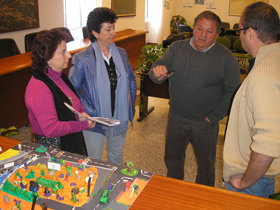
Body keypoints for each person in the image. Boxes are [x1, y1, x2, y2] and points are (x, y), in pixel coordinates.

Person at [149, 11, 240, 186]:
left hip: (205, 123)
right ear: (194, 28)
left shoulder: (226, 59)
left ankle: (202, 199)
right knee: (173, 160)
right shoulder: (177, 48)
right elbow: (158, 69)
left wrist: (213, 118)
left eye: (209, 31)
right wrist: (157, 72)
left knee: (206, 167)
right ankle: (175, 191)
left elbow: (232, 91)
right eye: (200, 29)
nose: (203, 35)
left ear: (218, 33)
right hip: (176, 118)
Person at [223, 2, 280, 198]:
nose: (239, 35)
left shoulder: (264, 75)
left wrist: (245, 181)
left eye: (239, 29)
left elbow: (269, 142)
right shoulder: (273, 61)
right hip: (260, 177)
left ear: (251, 33)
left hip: (253, 181)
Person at [69, 7, 137, 165]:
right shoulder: (82, 59)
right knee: (94, 160)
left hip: (119, 117)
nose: (113, 32)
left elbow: (131, 80)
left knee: (116, 156)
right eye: (108, 29)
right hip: (95, 120)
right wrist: (87, 112)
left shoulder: (121, 53)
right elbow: (72, 91)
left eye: (113, 27)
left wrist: (129, 104)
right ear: (95, 33)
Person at [25, 29, 95, 155]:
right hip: (54, 149)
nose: (68, 55)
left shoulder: (58, 75)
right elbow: (51, 130)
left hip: (69, 140)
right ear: (46, 57)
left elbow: (73, 103)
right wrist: (83, 125)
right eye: (63, 52)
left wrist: (81, 114)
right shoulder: (39, 88)